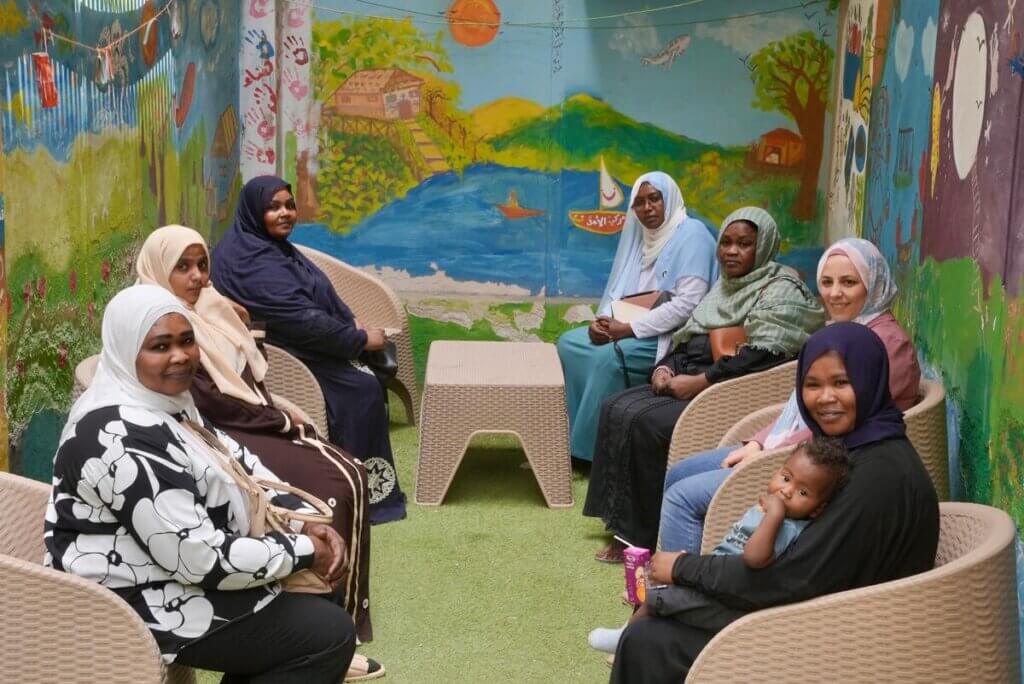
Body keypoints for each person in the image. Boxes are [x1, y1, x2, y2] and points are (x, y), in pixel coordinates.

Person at [45, 285, 356, 682]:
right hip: (129, 602)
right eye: (160, 346)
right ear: (126, 352)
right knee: (325, 635)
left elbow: (241, 464)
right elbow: (198, 558)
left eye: (187, 340)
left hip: (170, 575)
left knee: (317, 602)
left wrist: (300, 522)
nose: (180, 356)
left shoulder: (165, 405)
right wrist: (304, 550)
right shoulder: (117, 436)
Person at [610, 322, 940, 683]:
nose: (825, 398)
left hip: (847, 648)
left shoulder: (878, 475)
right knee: (659, 617)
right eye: (812, 385)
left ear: (870, 380)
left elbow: (790, 578)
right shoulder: (854, 451)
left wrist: (684, 568)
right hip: (822, 617)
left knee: (652, 640)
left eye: (841, 383)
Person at [135, 224, 376, 645]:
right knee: (329, 485)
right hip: (217, 431)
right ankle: (320, 624)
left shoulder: (212, 307)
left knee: (350, 471)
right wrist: (280, 423)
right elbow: (210, 400)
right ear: (159, 270)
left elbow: (247, 374)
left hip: (235, 424)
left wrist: (244, 326)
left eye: (202, 265)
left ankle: (344, 622)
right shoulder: (153, 319)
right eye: (183, 267)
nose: (197, 277)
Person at [584, 207, 824, 560]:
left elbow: (766, 355)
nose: (731, 251)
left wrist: (700, 382)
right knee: (617, 407)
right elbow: (688, 338)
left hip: (731, 386)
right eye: (726, 242)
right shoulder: (723, 288)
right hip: (693, 374)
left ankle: (645, 537)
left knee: (649, 425)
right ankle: (622, 525)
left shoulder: (781, 289)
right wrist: (663, 369)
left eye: (744, 244)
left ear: (765, 247)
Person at [659, 237, 922, 553]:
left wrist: (770, 452)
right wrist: (757, 441)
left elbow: (842, 423)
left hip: (817, 470)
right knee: (679, 472)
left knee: (682, 497)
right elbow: (802, 406)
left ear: (874, 284)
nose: (834, 293)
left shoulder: (884, 344)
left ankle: (672, 589)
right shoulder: (846, 329)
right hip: (794, 449)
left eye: (849, 282)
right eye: (826, 282)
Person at [211, 176, 405, 524]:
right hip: (285, 353)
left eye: (289, 205)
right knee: (362, 389)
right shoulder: (251, 262)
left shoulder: (268, 246)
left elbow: (316, 294)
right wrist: (361, 340)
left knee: (367, 379)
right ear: (255, 211)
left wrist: (352, 321)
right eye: (273, 207)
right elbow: (301, 321)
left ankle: (363, 485)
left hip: (306, 341)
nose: (285, 213)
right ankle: (357, 493)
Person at [589, 436, 849, 653]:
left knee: (657, 597)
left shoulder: (786, 525)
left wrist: (774, 515)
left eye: (803, 492)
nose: (787, 491)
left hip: (729, 605)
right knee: (657, 580)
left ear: (817, 510)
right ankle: (632, 633)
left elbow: (754, 559)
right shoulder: (771, 509)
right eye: (785, 477)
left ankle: (624, 641)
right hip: (716, 583)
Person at [557, 172, 719, 462]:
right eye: (640, 203)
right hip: (628, 326)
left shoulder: (693, 235)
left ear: (669, 199)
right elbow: (618, 290)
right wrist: (602, 323)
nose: (648, 208)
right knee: (569, 343)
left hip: (669, 337)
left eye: (654, 199)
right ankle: (568, 435)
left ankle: (592, 453)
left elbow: (688, 305)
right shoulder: (643, 238)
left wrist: (627, 329)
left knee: (607, 360)